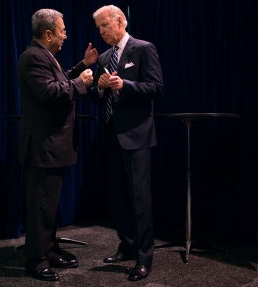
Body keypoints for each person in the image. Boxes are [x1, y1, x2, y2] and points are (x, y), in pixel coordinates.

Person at [17, 8, 98, 282]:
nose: (65, 35)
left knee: (48, 206)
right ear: (48, 33)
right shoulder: (32, 58)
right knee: (41, 208)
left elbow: (61, 79)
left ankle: (49, 251)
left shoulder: (44, 55)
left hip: (53, 146)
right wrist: (81, 82)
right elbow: (50, 93)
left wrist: (83, 66)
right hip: (43, 147)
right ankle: (36, 261)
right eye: (62, 31)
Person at [90, 5, 164, 282]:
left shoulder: (143, 49)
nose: (101, 32)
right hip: (110, 135)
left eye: (104, 26)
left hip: (136, 136)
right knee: (119, 196)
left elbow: (157, 87)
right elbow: (98, 99)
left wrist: (126, 86)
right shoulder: (105, 57)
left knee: (140, 199)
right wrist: (99, 87)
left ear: (120, 21)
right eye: (99, 28)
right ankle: (128, 246)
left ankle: (145, 257)